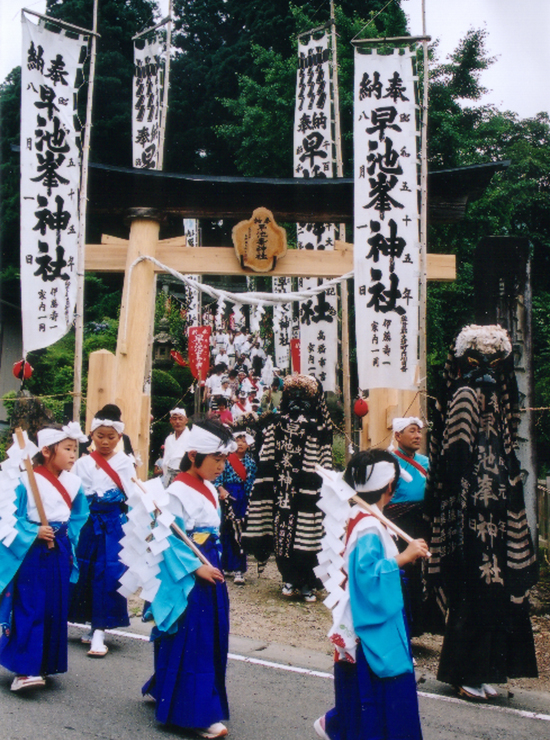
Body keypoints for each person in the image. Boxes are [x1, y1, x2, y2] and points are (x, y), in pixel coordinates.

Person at [425, 324, 538, 700]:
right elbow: (453, 457)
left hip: (497, 511)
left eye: (495, 361)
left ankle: (488, 668)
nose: (489, 369)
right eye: (480, 360)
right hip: (469, 514)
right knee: (472, 590)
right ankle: (463, 672)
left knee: (497, 590)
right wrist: (457, 509)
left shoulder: (500, 401)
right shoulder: (465, 395)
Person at [314, 449, 428, 740]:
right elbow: (367, 577)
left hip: (368, 612)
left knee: (367, 687)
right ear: (391, 486)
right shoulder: (368, 526)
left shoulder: (362, 516)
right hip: (374, 618)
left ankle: (339, 725)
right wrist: (404, 557)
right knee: (386, 682)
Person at [141, 419, 237, 739]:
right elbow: (168, 536)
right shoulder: (177, 491)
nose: (222, 466)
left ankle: (171, 689)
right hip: (189, 568)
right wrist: (196, 568)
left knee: (207, 635)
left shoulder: (209, 488)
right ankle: (195, 713)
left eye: (225, 459)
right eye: (217, 459)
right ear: (194, 455)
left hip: (210, 561)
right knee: (193, 637)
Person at [0, 422, 89, 691]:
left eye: (76, 449)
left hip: (58, 547)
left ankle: (45, 664)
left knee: (55, 606)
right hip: (32, 549)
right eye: (68, 449)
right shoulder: (26, 479)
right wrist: (34, 530)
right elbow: (9, 517)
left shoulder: (74, 483)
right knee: (31, 605)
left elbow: (79, 516)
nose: (74, 455)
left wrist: (65, 538)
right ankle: (24, 670)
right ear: (48, 451)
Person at [243, 374, 332, 601]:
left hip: (309, 493)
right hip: (281, 492)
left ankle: (308, 583)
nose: (297, 402)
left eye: (304, 397)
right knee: (282, 536)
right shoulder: (276, 424)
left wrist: (326, 489)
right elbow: (266, 457)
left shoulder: (320, 428)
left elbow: (326, 461)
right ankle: (289, 578)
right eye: (293, 396)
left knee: (309, 536)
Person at [69, 404, 136, 657]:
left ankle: (100, 630)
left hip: (113, 526)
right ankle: (90, 624)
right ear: (92, 435)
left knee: (109, 574)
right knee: (85, 572)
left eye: (111, 437)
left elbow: (132, 498)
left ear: (119, 437)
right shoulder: (83, 463)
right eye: (100, 436)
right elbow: (73, 496)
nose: (105, 442)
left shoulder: (124, 462)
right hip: (87, 525)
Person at [385, 416, 430, 636]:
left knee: (419, 572)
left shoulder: (426, 462)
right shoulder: (389, 461)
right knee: (402, 570)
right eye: (411, 431)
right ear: (397, 435)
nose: (417, 436)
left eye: (419, 431)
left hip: (420, 521)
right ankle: (400, 626)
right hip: (396, 523)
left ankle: (417, 625)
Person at [215, 432, 257, 584]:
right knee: (225, 530)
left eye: (243, 441)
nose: (240, 443)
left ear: (249, 444)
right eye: (237, 440)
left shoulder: (251, 463)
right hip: (227, 497)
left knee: (240, 532)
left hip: (242, 498)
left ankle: (239, 569)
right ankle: (225, 566)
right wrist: (221, 490)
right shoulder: (226, 460)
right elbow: (218, 477)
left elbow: (251, 484)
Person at [161, 407, 191, 487]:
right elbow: (165, 460)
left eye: (180, 419)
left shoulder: (191, 437)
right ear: (170, 421)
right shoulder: (169, 439)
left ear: (186, 420)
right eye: (174, 419)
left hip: (185, 476)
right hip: (169, 475)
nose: (177, 422)